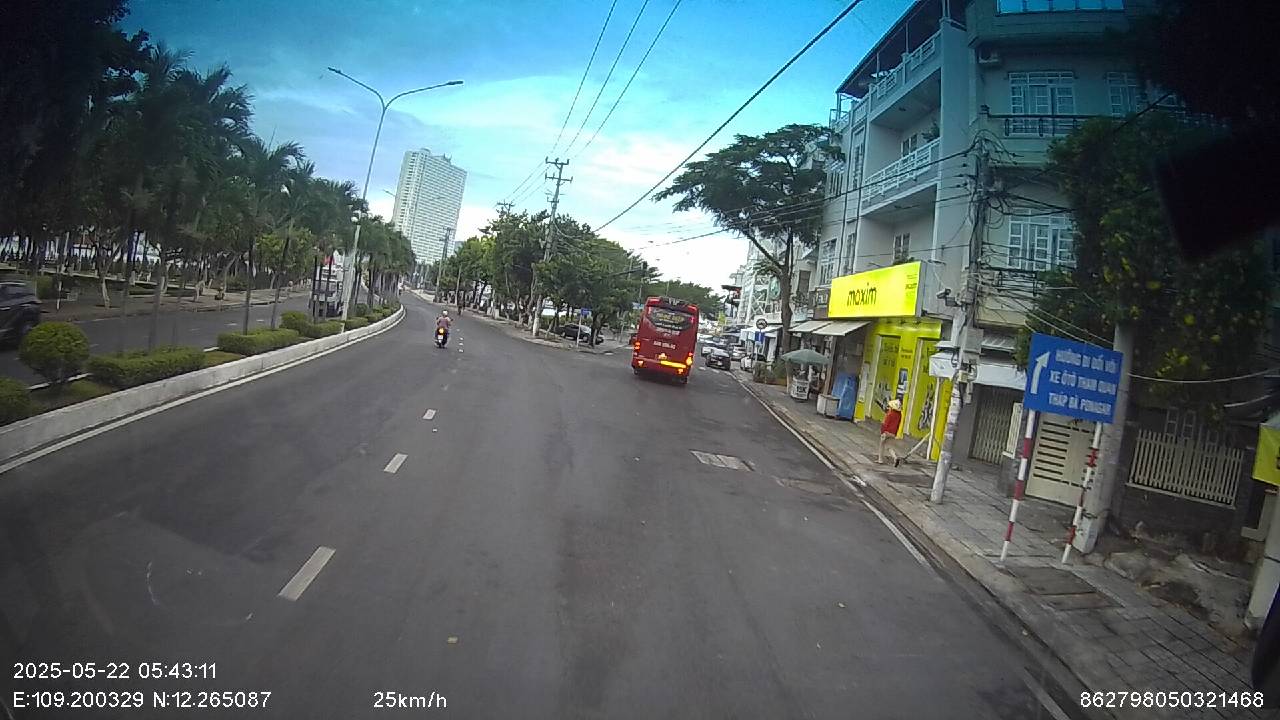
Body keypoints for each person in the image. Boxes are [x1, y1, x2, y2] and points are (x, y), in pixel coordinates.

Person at [878, 398, 903, 466]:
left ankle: (880, 460)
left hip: (886, 432)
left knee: (882, 445)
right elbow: (898, 425)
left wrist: (882, 432)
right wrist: (895, 434)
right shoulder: (900, 415)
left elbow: (885, 424)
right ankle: (895, 458)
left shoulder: (890, 414)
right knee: (889, 446)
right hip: (893, 433)